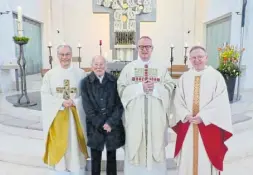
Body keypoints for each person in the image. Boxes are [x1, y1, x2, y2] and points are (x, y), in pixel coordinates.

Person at [117, 36, 176, 175]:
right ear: (137, 48)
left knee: (156, 144)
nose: (145, 49)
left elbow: (170, 87)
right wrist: (140, 88)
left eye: (147, 47)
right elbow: (121, 89)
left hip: (156, 117)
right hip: (135, 118)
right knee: (134, 144)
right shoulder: (129, 69)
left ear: (152, 49)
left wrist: (155, 88)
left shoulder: (161, 69)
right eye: (142, 47)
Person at [172, 45, 233, 175]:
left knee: (206, 158)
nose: (197, 60)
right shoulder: (184, 77)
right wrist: (186, 115)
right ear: (190, 59)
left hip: (209, 126)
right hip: (188, 126)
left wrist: (203, 116)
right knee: (188, 158)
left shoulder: (216, 77)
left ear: (206, 58)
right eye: (193, 57)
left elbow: (220, 102)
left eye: (200, 57)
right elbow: (178, 100)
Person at [41, 44, 89, 175]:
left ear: (71, 55)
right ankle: (60, 167)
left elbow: (86, 95)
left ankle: (75, 165)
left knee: (74, 142)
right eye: (62, 55)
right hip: (57, 116)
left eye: (67, 54)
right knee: (60, 141)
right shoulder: (50, 75)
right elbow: (45, 96)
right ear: (57, 56)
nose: (64, 57)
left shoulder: (81, 74)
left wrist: (75, 101)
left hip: (75, 117)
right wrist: (61, 102)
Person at [80, 55, 125, 175]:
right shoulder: (85, 83)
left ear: (106, 66)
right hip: (95, 127)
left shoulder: (114, 81)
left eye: (101, 64)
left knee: (112, 159)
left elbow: (119, 104)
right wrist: (101, 124)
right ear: (91, 66)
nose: (98, 67)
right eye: (96, 64)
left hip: (112, 127)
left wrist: (110, 122)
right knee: (95, 160)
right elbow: (87, 107)